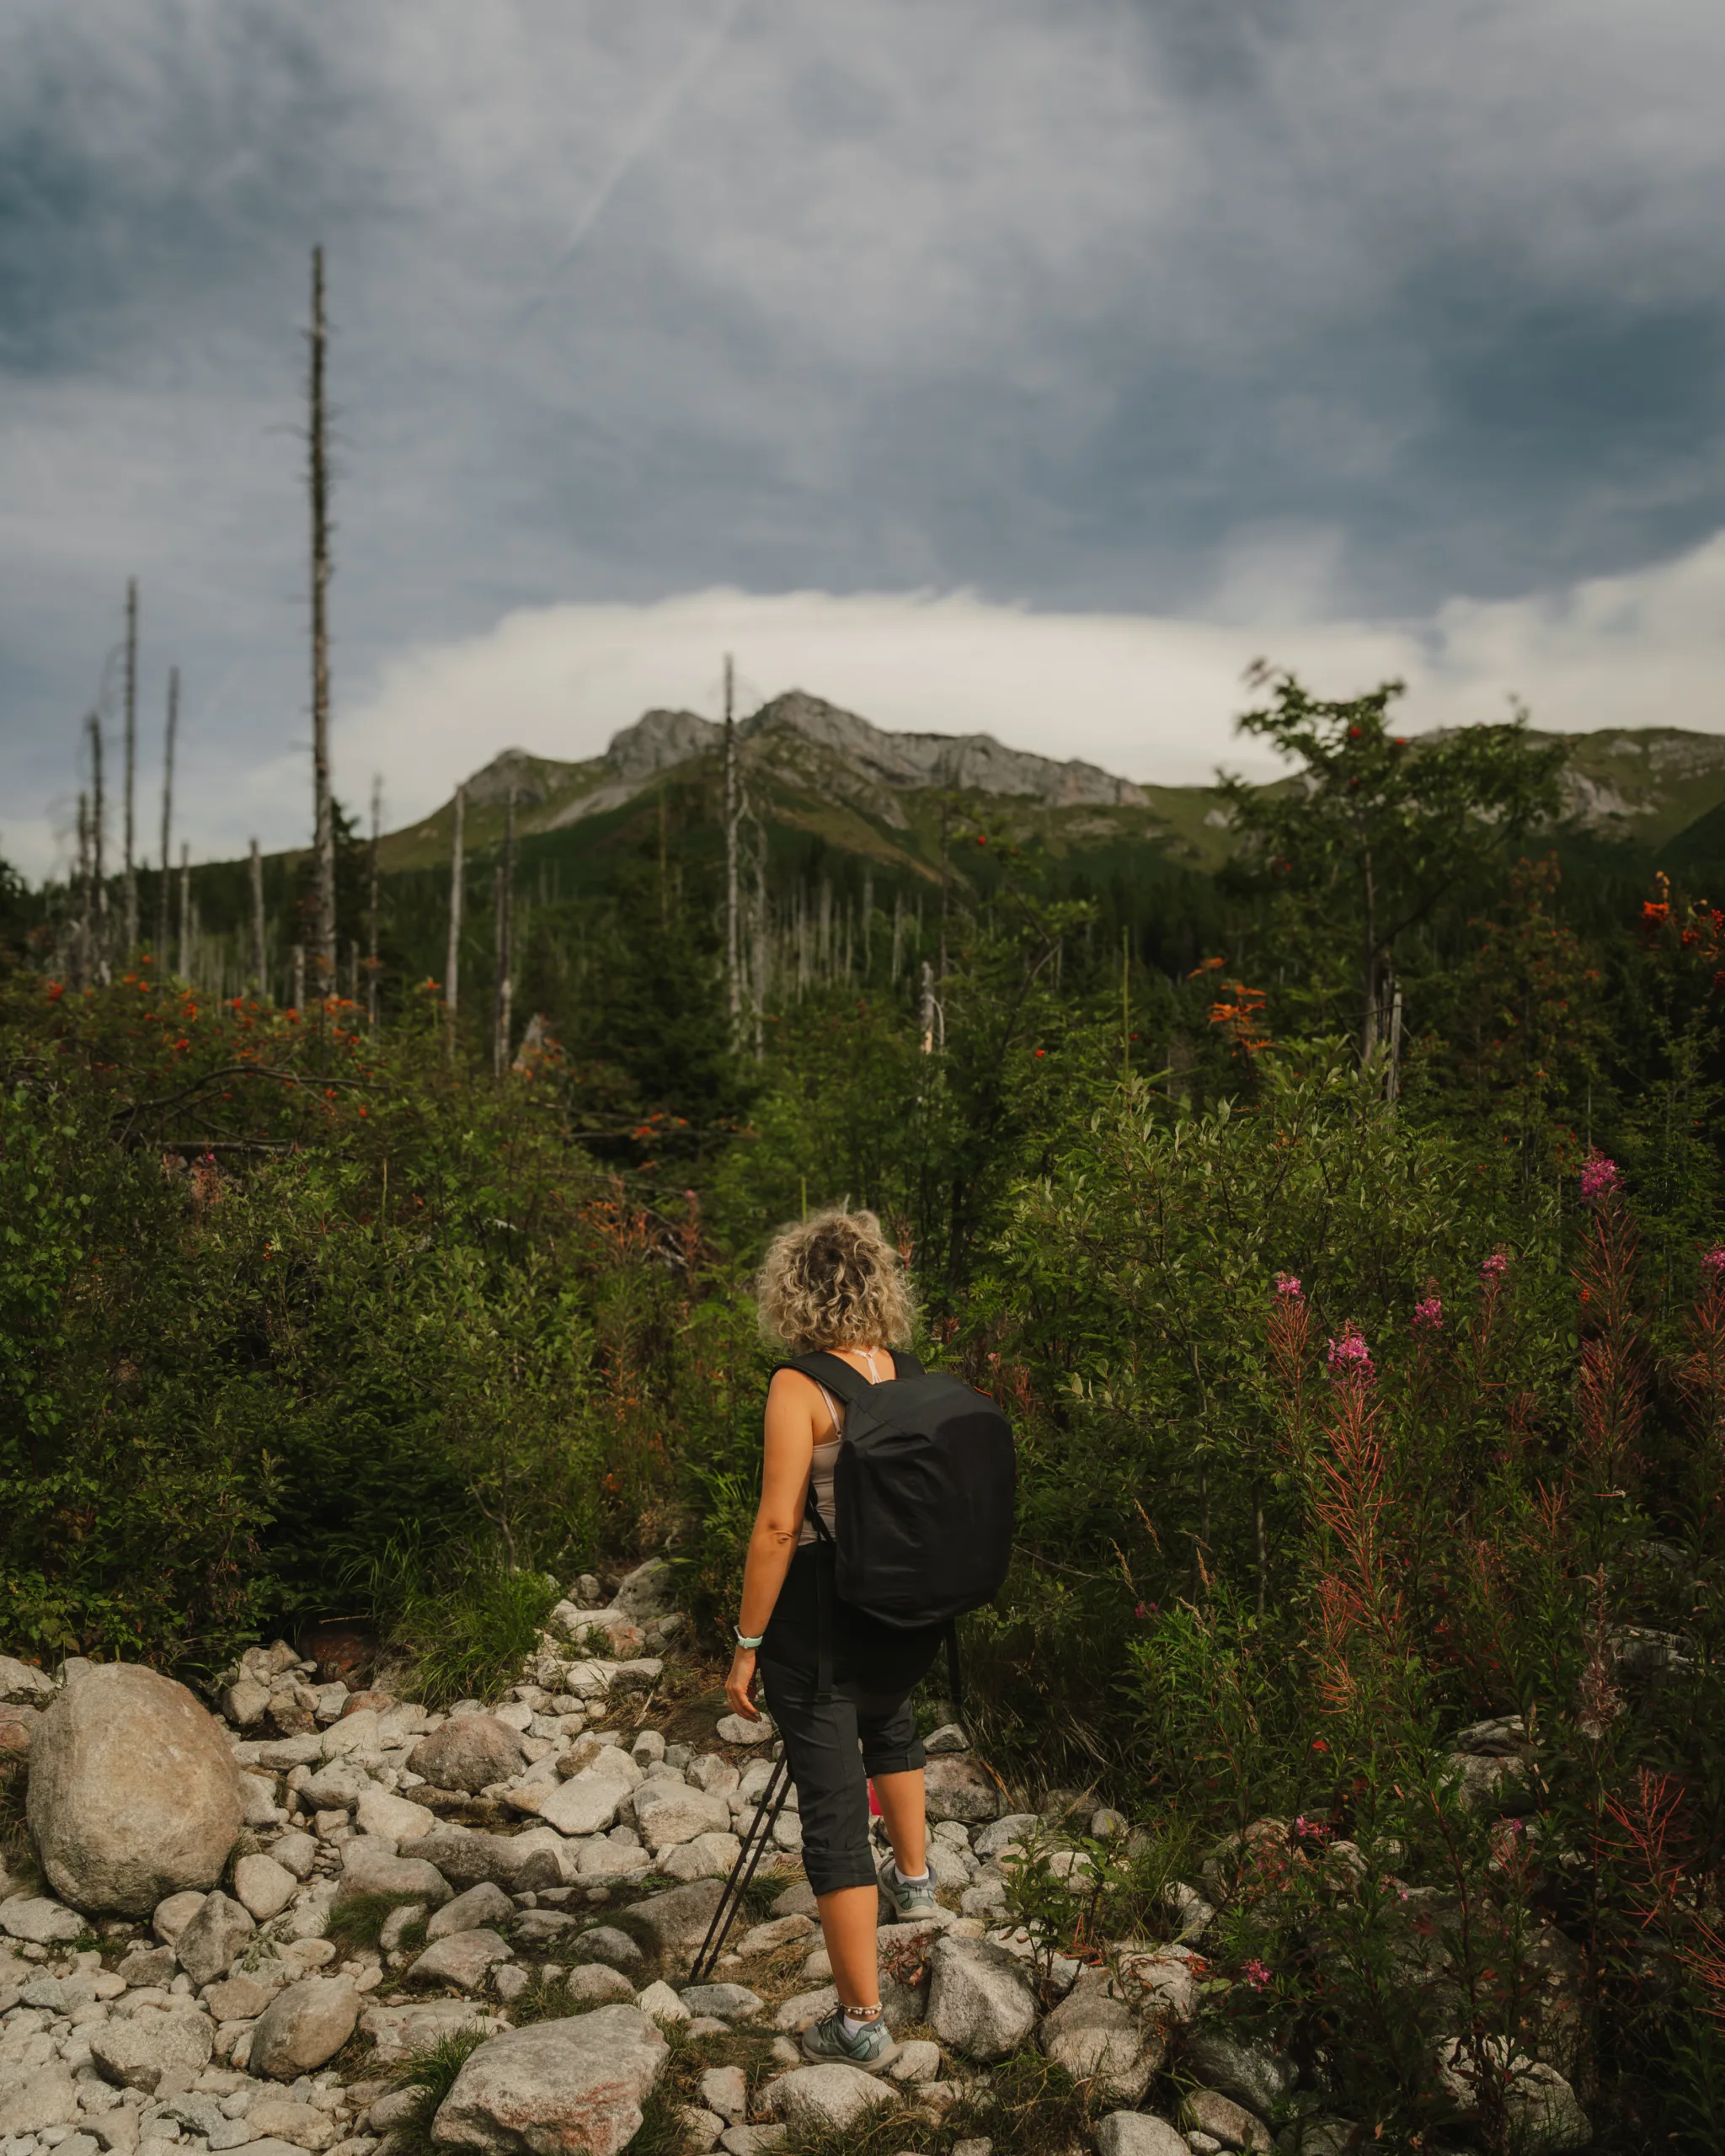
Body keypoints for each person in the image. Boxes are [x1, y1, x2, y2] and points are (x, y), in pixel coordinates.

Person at [724, 1207, 948, 2073]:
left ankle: (861, 2019)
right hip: (899, 1613)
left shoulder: (797, 1386)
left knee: (828, 1813)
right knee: (888, 1721)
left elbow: (777, 1526)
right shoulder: (903, 1371)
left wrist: (747, 1641)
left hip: (819, 1616)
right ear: (878, 1281)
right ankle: (916, 1883)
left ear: (793, 1292)